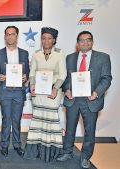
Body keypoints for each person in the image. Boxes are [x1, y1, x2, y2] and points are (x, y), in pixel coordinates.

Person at [57, 31, 112, 168]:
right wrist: (67, 89)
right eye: (82, 40)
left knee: (89, 130)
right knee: (69, 128)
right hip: (73, 99)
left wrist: (96, 92)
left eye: (88, 40)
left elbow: (106, 78)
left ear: (92, 42)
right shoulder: (69, 58)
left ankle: (86, 156)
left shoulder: (103, 57)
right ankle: (67, 152)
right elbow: (64, 78)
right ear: (77, 43)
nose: (85, 42)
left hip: (91, 100)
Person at [23, 27, 67, 162]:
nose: (46, 40)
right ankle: (35, 151)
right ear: (41, 39)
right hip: (39, 93)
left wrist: (56, 88)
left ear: (54, 40)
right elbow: (32, 72)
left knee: (51, 119)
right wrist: (31, 84)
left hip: (53, 92)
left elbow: (63, 73)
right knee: (38, 119)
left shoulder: (59, 53)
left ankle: (51, 152)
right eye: (43, 38)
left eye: (49, 38)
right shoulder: (36, 53)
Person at [0, 26, 29, 157]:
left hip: (19, 91)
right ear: (4, 37)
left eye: (12, 34)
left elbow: (27, 71)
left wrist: (25, 76)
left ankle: (17, 145)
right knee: (6, 119)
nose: (10, 37)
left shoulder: (24, 53)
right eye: (8, 34)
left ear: (17, 36)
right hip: (5, 91)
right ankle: (4, 145)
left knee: (17, 120)